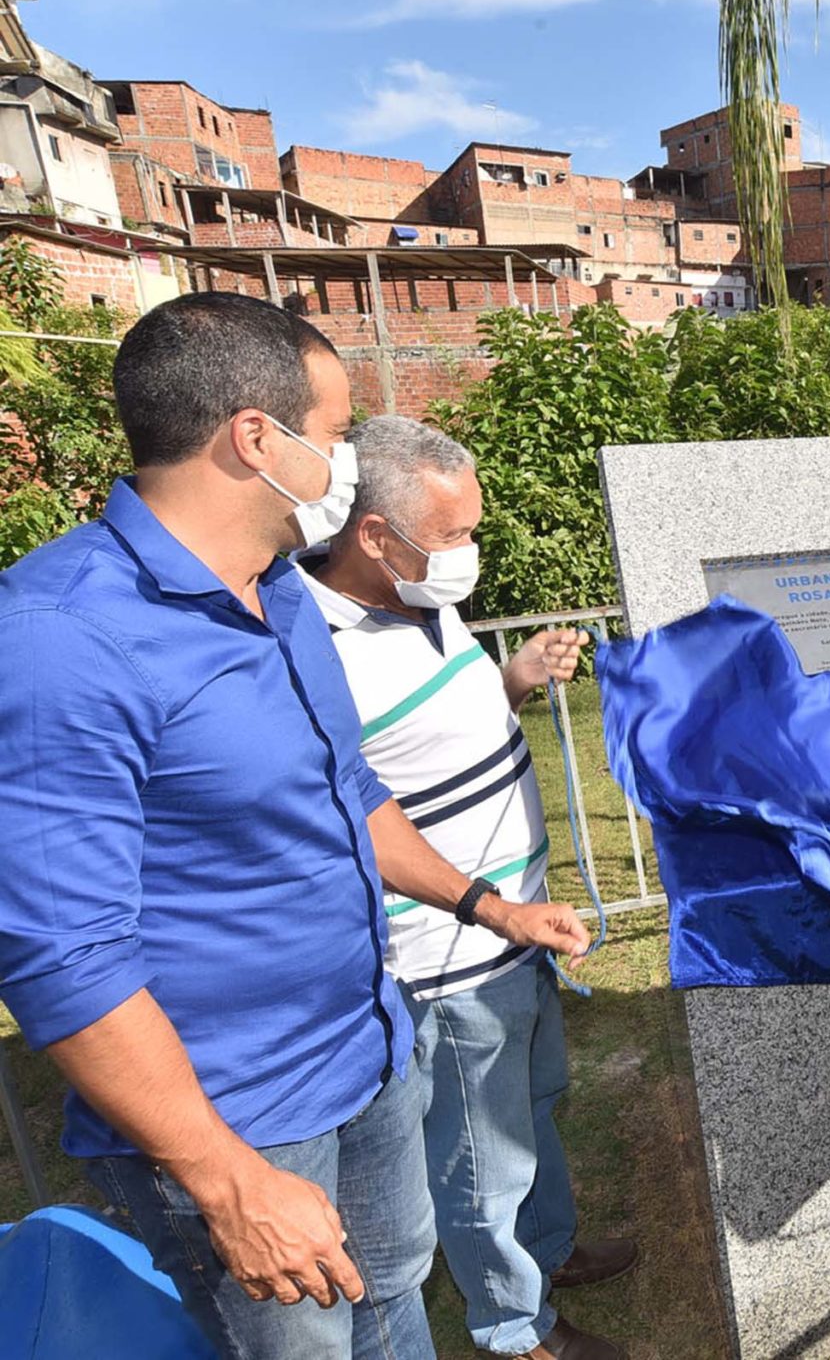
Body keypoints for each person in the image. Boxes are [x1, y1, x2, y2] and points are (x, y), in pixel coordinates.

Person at [0, 292, 589, 1360]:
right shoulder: (58, 638)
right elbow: (61, 956)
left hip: (366, 1057)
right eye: (332, 438)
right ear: (255, 438)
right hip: (240, 1122)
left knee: (395, 1306)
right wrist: (227, 1183)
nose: (348, 467)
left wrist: (487, 904)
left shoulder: (274, 592)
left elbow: (348, 795)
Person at [297, 417, 637, 1360]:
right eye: (450, 537)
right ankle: (514, 1326)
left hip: (516, 930)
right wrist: (490, 909)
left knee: (534, 1104)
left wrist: (513, 679)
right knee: (482, 1159)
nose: (468, 555)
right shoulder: (314, 645)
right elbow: (364, 815)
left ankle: (551, 1250)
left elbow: (428, 739)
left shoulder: (417, 601)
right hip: (448, 955)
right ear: (374, 534)